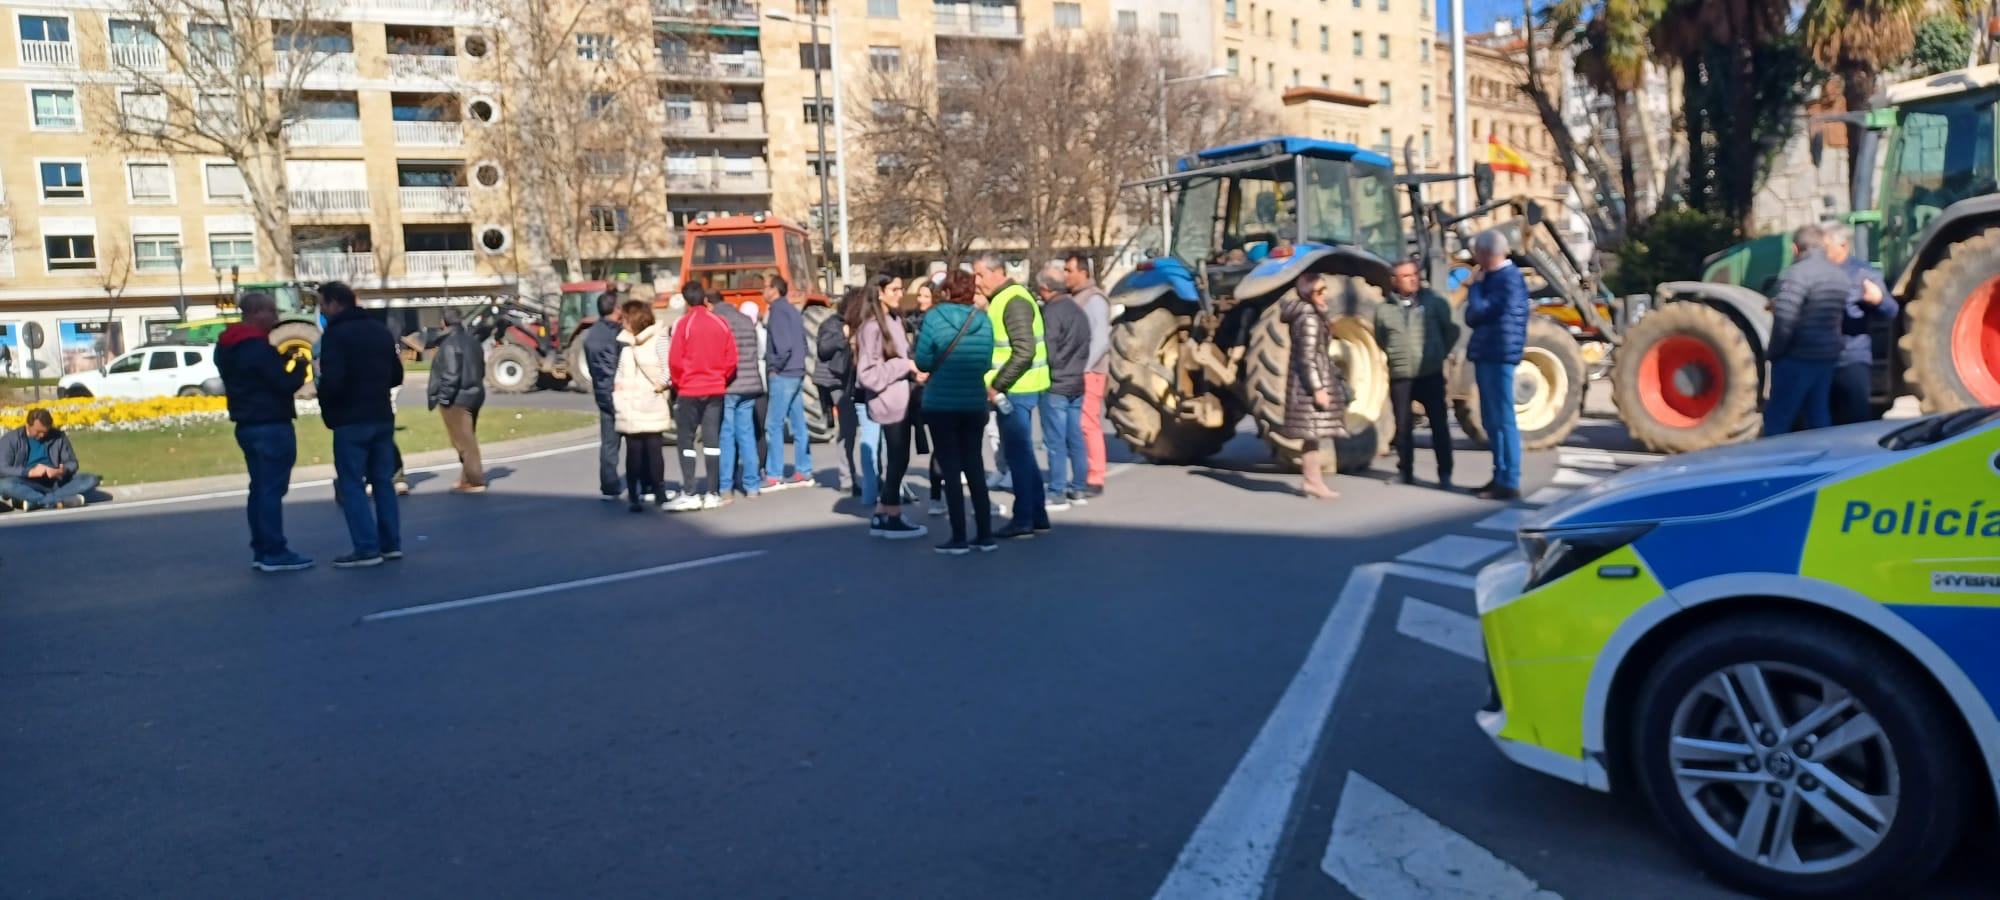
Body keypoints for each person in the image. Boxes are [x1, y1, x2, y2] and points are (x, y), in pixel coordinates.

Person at [215, 292, 311, 571]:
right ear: (256, 313)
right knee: (271, 490)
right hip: (270, 422)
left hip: (246, 423)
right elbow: (282, 383)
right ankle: (274, 550)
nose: (276, 319)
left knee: (258, 489)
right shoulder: (258, 348)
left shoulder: (226, 346)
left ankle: (261, 548)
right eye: (271, 312)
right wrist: (300, 368)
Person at [315, 281, 404, 567]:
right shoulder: (379, 330)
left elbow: (334, 381)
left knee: (352, 483)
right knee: (383, 482)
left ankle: (366, 547)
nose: (321, 311)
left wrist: (327, 403)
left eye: (322, 305)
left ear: (333, 303)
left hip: (350, 418)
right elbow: (396, 375)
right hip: (380, 413)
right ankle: (390, 544)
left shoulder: (335, 335)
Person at [916, 270, 998, 554]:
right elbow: (987, 363)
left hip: (941, 404)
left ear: (947, 292)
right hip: (974, 402)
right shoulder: (983, 321)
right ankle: (985, 535)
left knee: (950, 469)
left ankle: (959, 536)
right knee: (974, 465)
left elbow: (923, 361)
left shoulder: (934, 319)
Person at [976, 252, 1052, 540]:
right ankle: (1037, 514)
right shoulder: (1006, 299)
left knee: (1018, 456)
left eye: (981, 274)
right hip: (1018, 388)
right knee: (1024, 456)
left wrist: (997, 385)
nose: (977, 281)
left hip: (1016, 390)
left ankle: (1023, 519)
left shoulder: (1013, 300)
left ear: (998, 272)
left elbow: (1024, 350)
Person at [854, 275, 927, 539]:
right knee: (897, 460)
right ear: (880, 293)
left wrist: (913, 371)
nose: (900, 293)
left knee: (899, 459)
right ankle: (891, 517)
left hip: (902, 399)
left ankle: (883, 513)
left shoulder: (894, 320)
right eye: (895, 289)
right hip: (888, 403)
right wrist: (904, 366)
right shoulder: (871, 328)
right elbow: (868, 375)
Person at [1376, 260, 1460, 488]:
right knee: (1403, 427)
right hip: (1402, 375)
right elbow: (1381, 338)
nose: (1412, 279)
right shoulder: (1384, 309)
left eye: (1414, 274)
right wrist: (1396, 356)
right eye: (1406, 276)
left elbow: (1452, 330)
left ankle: (1445, 473)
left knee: (1439, 425)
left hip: (1430, 373)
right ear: (1395, 281)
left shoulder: (1434, 302)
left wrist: (1438, 353)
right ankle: (1405, 472)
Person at [1763, 224, 1852, 437]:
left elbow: (1785, 318)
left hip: (1797, 357)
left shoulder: (1798, 273)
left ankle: (1774, 463)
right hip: (1827, 357)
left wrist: (1775, 353)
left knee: (1778, 418)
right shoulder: (1839, 275)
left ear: (1795, 248)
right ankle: (1822, 461)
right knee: (1818, 415)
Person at [1462, 229, 1529, 501]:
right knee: (1492, 419)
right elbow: (1473, 315)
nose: (1474, 258)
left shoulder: (1506, 279)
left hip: (1498, 354)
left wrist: (1475, 287)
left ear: (1486, 253)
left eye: (1477, 252)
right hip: (1491, 352)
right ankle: (1499, 474)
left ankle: (1509, 479)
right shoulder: (1499, 278)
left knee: (1502, 418)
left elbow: (1477, 311)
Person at [667, 282, 736, 511]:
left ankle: (689, 490)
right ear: (705, 299)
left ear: (685, 301)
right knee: (712, 439)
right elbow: (731, 358)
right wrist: (720, 378)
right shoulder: (720, 323)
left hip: (689, 389)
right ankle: (713, 491)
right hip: (715, 388)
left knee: (686, 440)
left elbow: (675, 361)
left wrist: (679, 383)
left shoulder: (684, 325)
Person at [1281, 273, 1348, 499]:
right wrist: (1318, 388)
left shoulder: (1308, 314)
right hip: (1309, 386)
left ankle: (1313, 481)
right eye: (1320, 291)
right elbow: (1307, 358)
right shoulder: (1309, 318)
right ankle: (1313, 482)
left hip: (1306, 383)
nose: (1325, 295)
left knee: (1313, 436)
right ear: (1308, 293)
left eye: (1325, 289)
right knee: (1312, 435)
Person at [1824, 223, 1897, 426]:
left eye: (1826, 245)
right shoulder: (1817, 273)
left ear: (1843, 245)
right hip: (1820, 360)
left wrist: (1878, 300)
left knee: (1856, 420)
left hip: (1851, 360)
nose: (1821, 251)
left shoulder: (1863, 274)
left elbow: (1891, 311)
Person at [1037, 261, 1092, 512]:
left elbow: (1047, 349)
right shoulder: (1078, 310)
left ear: (1046, 288)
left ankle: (1057, 490)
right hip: (1076, 380)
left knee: (1055, 440)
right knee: (1075, 437)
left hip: (1056, 382)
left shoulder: (1051, 313)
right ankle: (1079, 486)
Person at [612, 298, 671, 511]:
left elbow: (668, 367)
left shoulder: (658, 339)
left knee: (654, 450)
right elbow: (621, 370)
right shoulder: (627, 343)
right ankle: (634, 494)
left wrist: (659, 386)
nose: (622, 322)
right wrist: (618, 388)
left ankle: (659, 489)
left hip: (650, 402)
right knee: (633, 452)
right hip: (629, 405)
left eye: (625, 318)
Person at [1064, 253, 1110, 500]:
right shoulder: (1076, 299)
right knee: (1075, 424)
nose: (1066, 275)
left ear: (1083, 272)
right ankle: (1081, 475)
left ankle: (1095, 476)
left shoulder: (1094, 300)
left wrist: (1084, 368)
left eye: (1069, 270)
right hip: (1076, 370)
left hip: (1090, 372)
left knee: (1086, 423)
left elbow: (1101, 339)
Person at [426, 307, 487, 493]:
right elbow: (481, 368)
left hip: (457, 398)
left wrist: (443, 398)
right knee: (467, 437)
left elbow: (451, 375)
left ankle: (475, 480)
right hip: (474, 394)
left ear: (443, 322)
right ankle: (466, 478)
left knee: (463, 442)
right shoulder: (473, 341)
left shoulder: (450, 344)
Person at [762, 276, 814, 488]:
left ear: (774, 290)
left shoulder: (777, 311)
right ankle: (803, 470)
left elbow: (783, 346)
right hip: (797, 371)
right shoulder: (793, 310)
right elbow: (802, 341)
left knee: (773, 425)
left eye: (764, 287)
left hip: (783, 374)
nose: (762, 291)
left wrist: (774, 367)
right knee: (799, 424)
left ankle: (774, 474)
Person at [716, 293, 765, 501]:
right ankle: (752, 485)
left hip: (729, 386)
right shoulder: (746, 321)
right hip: (750, 384)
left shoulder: (719, 323)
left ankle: (726, 487)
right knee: (746, 435)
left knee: (727, 435)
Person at [0, 408, 100, 511]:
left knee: (90, 479)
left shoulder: (58, 436)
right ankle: (56, 501)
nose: (42, 435)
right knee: (4, 485)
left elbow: (72, 463)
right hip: (28, 482)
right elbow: (2, 468)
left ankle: (35, 500)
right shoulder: (10, 439)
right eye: (38, 432)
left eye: (45, 432)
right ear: (28, 425)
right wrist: (29, 472)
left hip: (56, 482)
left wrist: (63, 470)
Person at [836, 286, 881, 504]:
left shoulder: (852, 328)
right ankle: (886, 491)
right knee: (880, 443)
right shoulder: (873, 328)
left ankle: (869, 493)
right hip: (876, 390)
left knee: (868, 441)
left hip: (859, 391)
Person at [822, 288, 865, 497]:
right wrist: (844, 337)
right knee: (847, 431)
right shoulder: (834, 324)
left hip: (848, 380)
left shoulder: (856, 325)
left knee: (850, 430)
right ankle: (847, 478)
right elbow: (823, 349)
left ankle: (850, 476)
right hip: (836, 381)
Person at [584, 291, 627, 500]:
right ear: (616, 309)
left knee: (609, 443)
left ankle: (609, 485)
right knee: (637, 440)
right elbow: (619, 364)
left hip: (601, 391)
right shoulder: (617, 335)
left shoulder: (591, 334)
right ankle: (642, 482)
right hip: (619, 391)